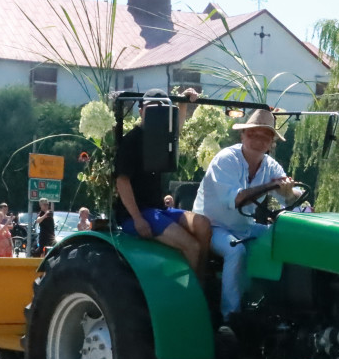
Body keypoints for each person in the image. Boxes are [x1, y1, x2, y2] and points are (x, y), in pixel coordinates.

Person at [194, 108, 298, 323]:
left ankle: (277, 308)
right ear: (243, 135)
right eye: (253, 134)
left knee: (282, 240)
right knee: (236, 250)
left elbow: (289, 195)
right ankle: (230, 316)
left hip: (244, 227)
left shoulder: (269, 165)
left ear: (271, 143)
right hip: (212, 226)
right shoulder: (226, 160)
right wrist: (271, 186)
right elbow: (238, 199)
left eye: (265, 136)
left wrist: (289, 192)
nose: (259, 140)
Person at [114, 88, 210, 278]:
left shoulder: (161, 138)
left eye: (162, 108)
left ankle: (204, 280)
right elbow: (122, 181)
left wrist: (183, 104)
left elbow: (176, 131)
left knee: (203, 224)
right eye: (152, 108)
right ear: (141, 111)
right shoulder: (131, 141)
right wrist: (137, 218)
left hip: (158, 210)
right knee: (192, 246)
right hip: (137, 214)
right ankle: (192, 297)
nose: (157, 112)